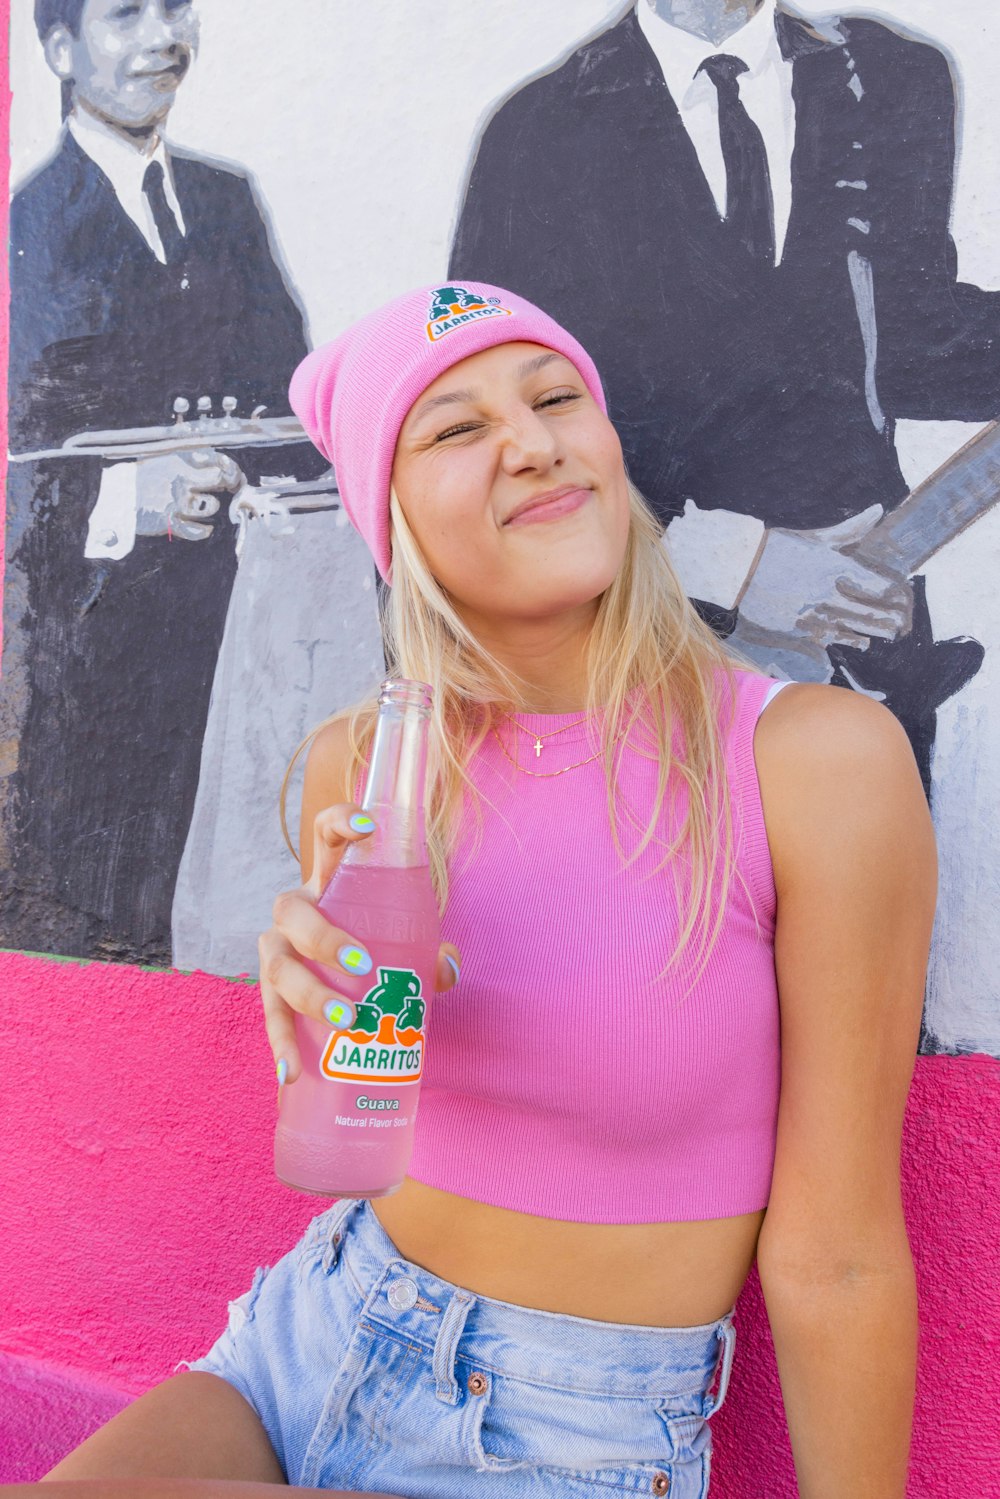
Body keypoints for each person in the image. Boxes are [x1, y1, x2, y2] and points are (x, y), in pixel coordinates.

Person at [43, 283, 937, 1496]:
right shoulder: (356, 772)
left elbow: (837, 1255)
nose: (531, 438)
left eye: (556, 396)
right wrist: (309, 1015)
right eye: (455, 428)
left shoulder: (812, 761)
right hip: (309, 1336)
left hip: (565, 1430)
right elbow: (351, 1113)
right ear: (389, 512)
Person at [449, 0, 1000, 785]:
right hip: (653, 648)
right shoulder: (538, 132)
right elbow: (496, 410)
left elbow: (908, 338)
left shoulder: (892, 75)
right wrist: (733, 558)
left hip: (866, 632)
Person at [1, 0, 318, 964]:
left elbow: (288, 401)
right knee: (112, 939)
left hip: (239, 646)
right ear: (58, 49)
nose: (162, 37)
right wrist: (127, 495)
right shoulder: (29, 226)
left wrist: (268, 478)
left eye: (176, 8)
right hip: (92, 679)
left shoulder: (226, 201)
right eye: (125, 14)